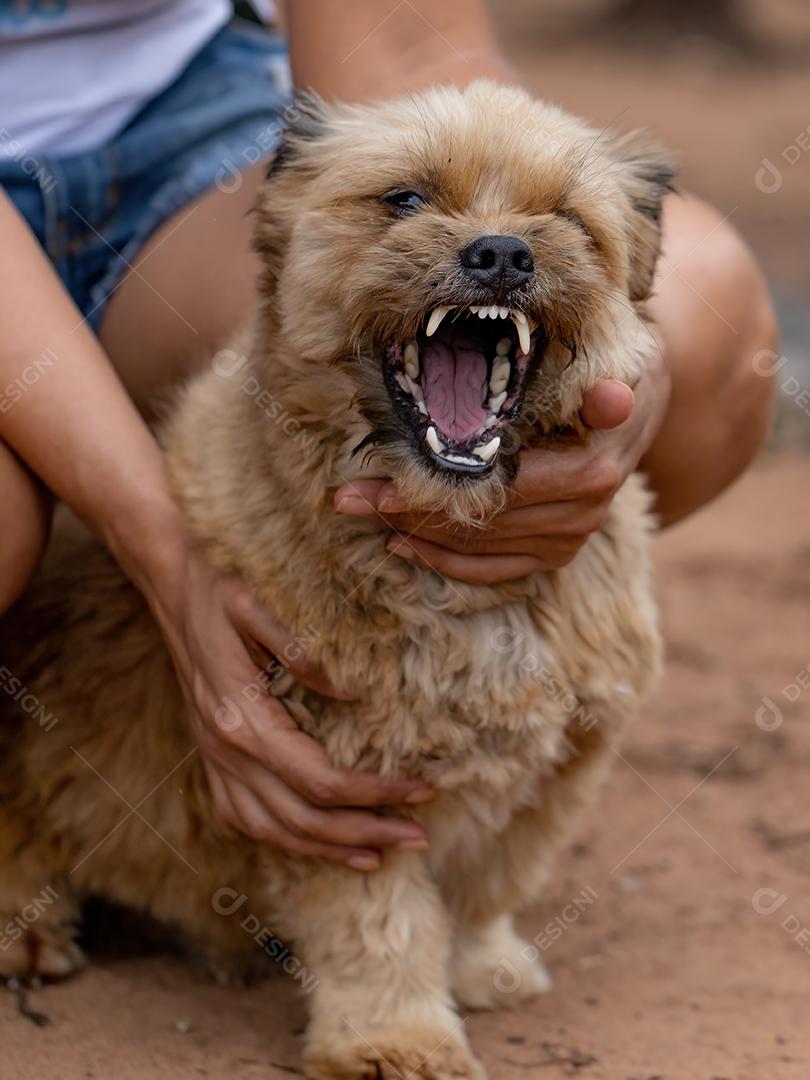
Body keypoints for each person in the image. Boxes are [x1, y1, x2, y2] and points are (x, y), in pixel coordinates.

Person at [0, 0, 777, 873]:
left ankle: (437, 746)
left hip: (191, 134)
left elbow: (406, 54)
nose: (498, 251)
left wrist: (625, 359)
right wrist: (165, 547)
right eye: (405, 203)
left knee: (710, 326)